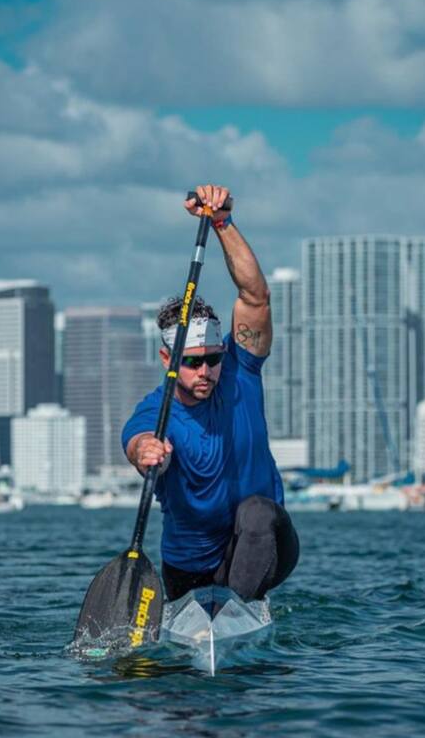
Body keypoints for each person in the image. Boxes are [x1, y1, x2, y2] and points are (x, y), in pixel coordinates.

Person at [122, 183, 299, 603]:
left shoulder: (241, 373)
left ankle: (238, 610)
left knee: (255, 511)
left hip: (264, 545)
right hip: (189, 568)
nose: (206, 371)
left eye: (213, 359)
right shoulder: (155, 412)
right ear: (168, 358)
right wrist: (147, 452)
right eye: (192, 362)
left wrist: (222, 222)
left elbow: (256, 296)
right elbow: (136, 442)